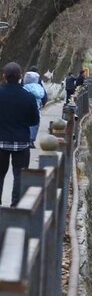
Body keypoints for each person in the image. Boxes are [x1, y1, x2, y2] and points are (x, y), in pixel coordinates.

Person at [0, 63, 42, 206]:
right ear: (20, 77)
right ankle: (15, 206)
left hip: (1, 141)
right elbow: (34, 120)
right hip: (22, 142)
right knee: (19, 175)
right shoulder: (28, 97)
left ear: (4, 76)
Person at [22, 70, 45, 144]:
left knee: (26, 123)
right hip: (37, 107)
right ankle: (32, 139)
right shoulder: (39, 87)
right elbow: (44, 96)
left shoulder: (25, 87)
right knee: (35, 124)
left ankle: (26, 138)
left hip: (26, 107)